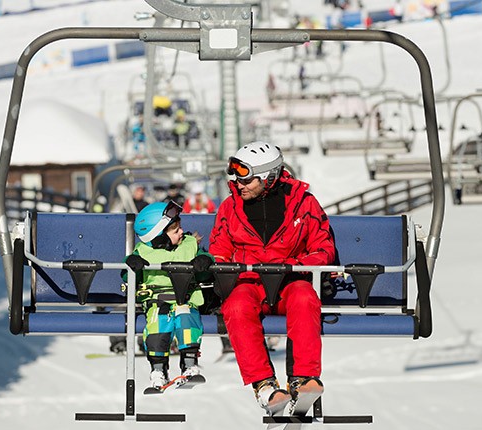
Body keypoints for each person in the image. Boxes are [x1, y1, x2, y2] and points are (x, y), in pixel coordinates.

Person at [208, 141, 335, 415]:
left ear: (268, 177)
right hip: (250, 283)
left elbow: (323, 247)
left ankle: (303, 378)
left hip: (290, 280)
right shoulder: (231, 208)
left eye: (247, 179)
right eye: (237, 178)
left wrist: (296, 265)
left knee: (304, 297)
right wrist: (226, 271)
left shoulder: (303, 204)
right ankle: (264, 384)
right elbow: (219, 250)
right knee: (237, 306)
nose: (239, 185)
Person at [123, 201, 214, 389]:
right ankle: (158, 369)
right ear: (159, 238)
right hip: (158, 302)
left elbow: (208, 267)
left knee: (187, 320)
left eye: (180, 228)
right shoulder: (142, 253)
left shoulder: (190, 245)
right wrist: (133, 266)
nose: (181, 232)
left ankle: (189, 364)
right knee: (158, 325)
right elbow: (127, 275)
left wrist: (204, 262)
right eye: (175, 231)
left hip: (185, 299)